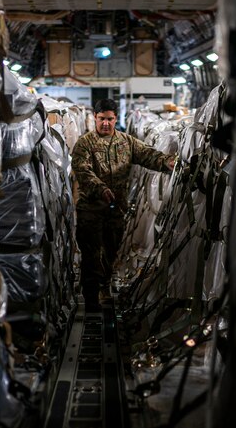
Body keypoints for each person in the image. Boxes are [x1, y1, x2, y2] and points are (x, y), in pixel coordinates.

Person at [71, 98, 176, 310]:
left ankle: (104, 286)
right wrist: (101, 189)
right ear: (95, 118)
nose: (106, 124)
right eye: (102, 119)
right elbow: (82, 171)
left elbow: (148, 155)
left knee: (111, 250)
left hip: (116, 210)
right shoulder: (85, 143)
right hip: (90, 210)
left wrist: (169, 163)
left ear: (115, 118)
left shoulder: (126, 142)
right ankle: (91, 296)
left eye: (110, 119)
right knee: (91, 253)